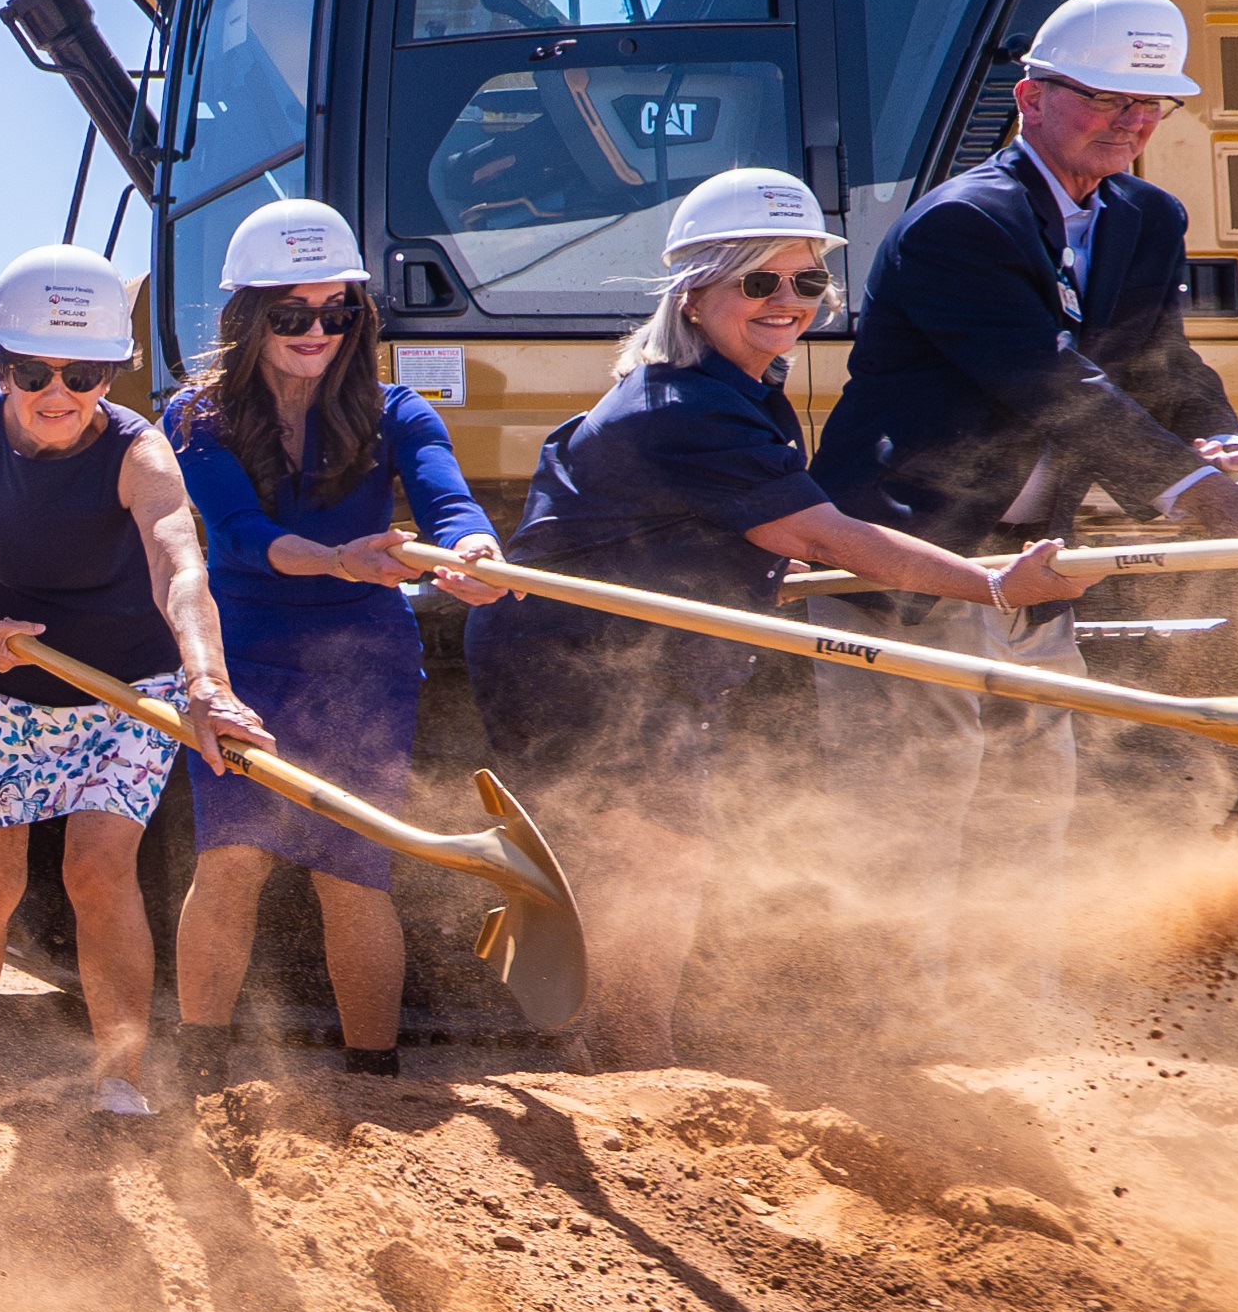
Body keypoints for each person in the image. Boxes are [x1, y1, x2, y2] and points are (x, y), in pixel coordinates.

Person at [453, 167, 1084, 1066]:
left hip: (650, 656)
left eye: (806, 281)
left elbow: (746, 529)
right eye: (759, 280)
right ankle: (632, 1057)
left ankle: (616, 1050)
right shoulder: (685, 404)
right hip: (573, 657)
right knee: (654, 857)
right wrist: (990, 587)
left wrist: (750, 564)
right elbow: (825, 531)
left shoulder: (742, 387)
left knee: (662, 855)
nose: (786, 300)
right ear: (698, 290)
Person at [813, 0, 1238, 915]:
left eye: (1149, 105)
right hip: (921, 549)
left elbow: (1159, 359)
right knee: (914, 803)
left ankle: (1016, 1022)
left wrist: (1217, 437)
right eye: (1108, 99)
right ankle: (898, 1029)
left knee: (1034, 802)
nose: (1131, 122)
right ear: (1031, 98)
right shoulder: (963, 224)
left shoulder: (1146, 219)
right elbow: (1049, 380)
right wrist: (1197, 492)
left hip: (1039, 557)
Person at [0, 245, 273, 1113]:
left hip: (125, 691)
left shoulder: (140, 451)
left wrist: (206, 680)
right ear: (1, 366)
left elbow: (182, 568)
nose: (58, 392)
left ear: (112, 373)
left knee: (98, 871)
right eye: (32, 369)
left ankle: (119, 1080)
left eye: (85, 372)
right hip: (1, 686)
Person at [161, 199, 511, 1086]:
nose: (318, 330)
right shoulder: (194, 418)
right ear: (248, 318)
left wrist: (474, 552)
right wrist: (340, 560)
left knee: (353, 873)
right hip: (243, 661)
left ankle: (374, 1078)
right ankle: (201, 1072)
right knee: (232, 857)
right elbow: (238, 535)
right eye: (292, 314)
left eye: (337, 310)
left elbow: (449, 503)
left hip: (365, 667)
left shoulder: (400, 412)